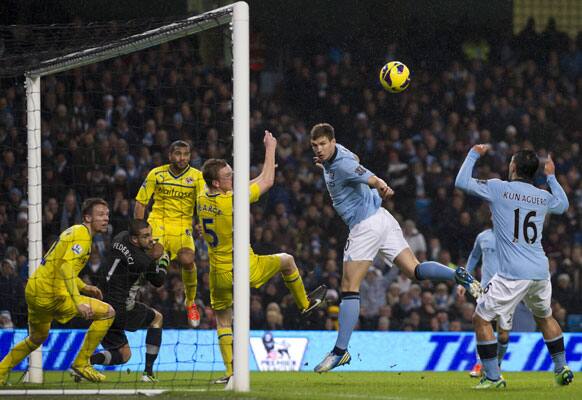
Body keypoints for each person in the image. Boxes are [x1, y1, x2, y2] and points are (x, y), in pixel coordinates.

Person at [309, 123, 481, 373]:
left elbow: (367, 175)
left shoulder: (342, 164)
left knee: (349, 287)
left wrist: (379, 184)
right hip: (383, 218)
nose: (320, 149)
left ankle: (339, 351)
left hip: (365, 225)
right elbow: (356, 160)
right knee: (415, 271)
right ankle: (457, 274)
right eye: (315, 146)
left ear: (333, 141)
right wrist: (328, 164)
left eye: (323, 144)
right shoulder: (339, 156)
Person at [198, 130, 326, 384]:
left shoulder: (203, 198)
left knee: (223, 320)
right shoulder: (232, 201)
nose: (233, 177)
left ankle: (230, 372)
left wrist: (259, 173)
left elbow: (245, 185)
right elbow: (267, 182)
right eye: (227, 176)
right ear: (216, 183)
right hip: (243, 266)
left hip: (217, 271)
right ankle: (304, 304)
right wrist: (270, 149)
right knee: (287, 260)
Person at [455, 145, 573, 389]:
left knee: (481, 319)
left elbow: (462, 182)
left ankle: (492, 377)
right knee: (545, 317)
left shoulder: (499, 188)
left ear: (514, 167)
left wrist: (474, 153)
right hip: (540, 271)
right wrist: (551, 176)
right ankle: (561, 368)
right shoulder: (542, 196)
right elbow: (562, 205)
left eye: (511, 162)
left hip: (513, 274)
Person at [0, 198, 115, 384]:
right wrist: (79, 300)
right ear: (87, 217)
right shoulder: (83, 236)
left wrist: (84, 286)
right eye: (100, 214)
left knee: (37, 337)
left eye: (107, 215)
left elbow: (59, 265)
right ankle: (82, 362)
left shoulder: (74, 232)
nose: (106, 218)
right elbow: (65, 268)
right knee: (108, 313)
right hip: (53, 296)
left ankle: (0, 371)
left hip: (35, 290)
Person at [134, 140, 206, 328]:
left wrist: (201, 224)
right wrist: (139, 230)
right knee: (154, 253)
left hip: (182, 225)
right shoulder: (156, 174)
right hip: (158, 222)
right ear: (170, 155)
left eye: (186, 154)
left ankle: (190, 302)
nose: (182, 158)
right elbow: (141, 203)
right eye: (178, 154)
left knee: (188, 260)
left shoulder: (197, 177)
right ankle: (134, 291)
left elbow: (204, 205)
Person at [89, 219, 168, 382]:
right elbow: (159, 281)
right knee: (157, 318)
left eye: (150, 234)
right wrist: (163, 259)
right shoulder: (143, 261)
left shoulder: (120, 237)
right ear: (134, 239)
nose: (151, 239)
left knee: (124, 355)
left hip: (101, 305)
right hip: (121, 309)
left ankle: (85, 363)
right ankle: (148, 372)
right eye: (146, 236)